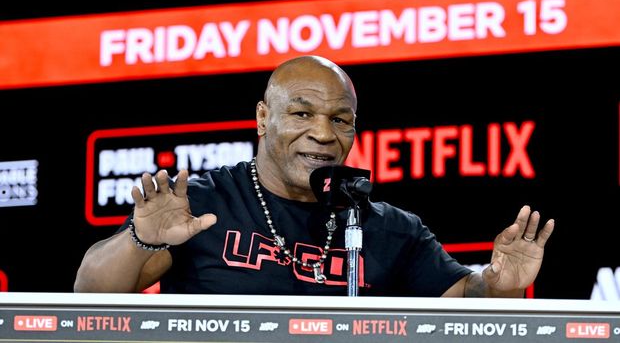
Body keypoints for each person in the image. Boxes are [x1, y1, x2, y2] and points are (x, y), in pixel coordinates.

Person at [74, 55, 554, 296]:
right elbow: (90, 294)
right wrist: (142, 238)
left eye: (339, 120)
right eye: (301, 115)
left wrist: (499, 284)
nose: (323, 134)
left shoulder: (387, 226)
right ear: (263, 118)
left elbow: (459, 298)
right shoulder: (205, 202)